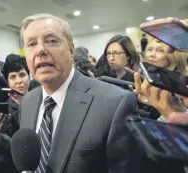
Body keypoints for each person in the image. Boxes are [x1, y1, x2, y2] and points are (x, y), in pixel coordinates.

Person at [18, 13, 147, 173]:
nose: (40, 50)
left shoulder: (115, 103)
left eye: (51, 41)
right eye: (31, 44)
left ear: (71, 50)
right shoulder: (27, 101)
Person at [2, 54, 31, 134]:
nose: (18, 81)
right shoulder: (7, 110)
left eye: (22, 75)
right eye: (13, 77)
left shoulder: (40, 97)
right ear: (8, 81)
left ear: (29, 76)